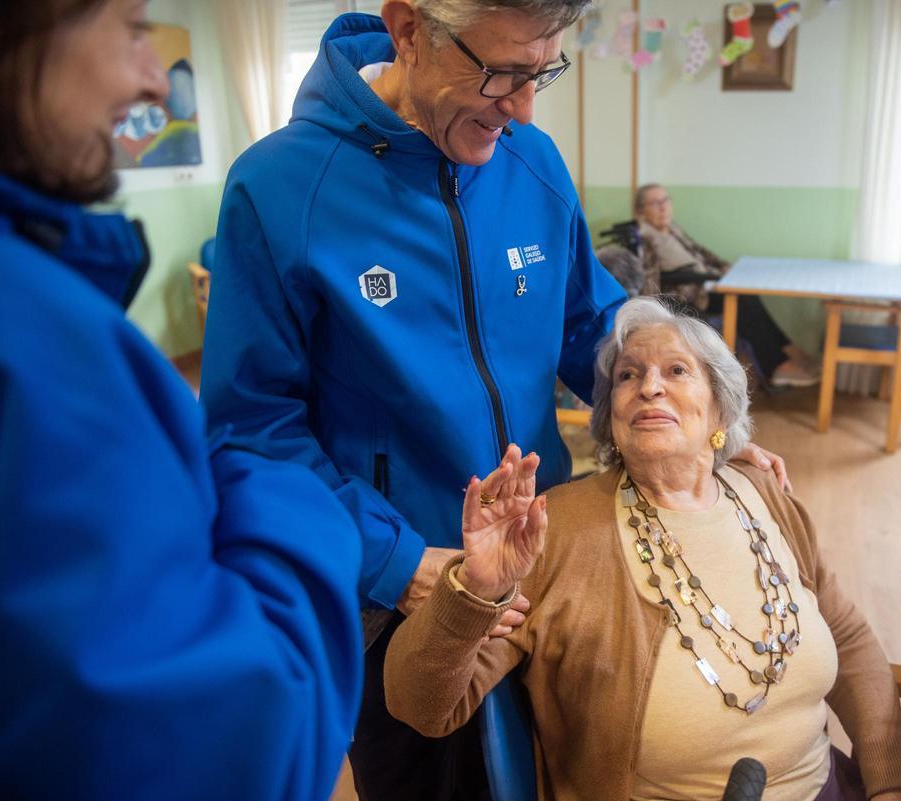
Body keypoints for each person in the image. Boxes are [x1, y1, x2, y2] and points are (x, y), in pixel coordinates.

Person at [199, 3, 789, 801]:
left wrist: (697, 421)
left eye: (540, 71)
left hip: (545, 558)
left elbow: (591, 324)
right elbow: (250, 434)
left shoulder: (533, 160)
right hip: (396, 589)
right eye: (499, 72)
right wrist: (396, 561)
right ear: (409, 30)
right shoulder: (278, 189)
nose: (522, 108)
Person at [0, 1, 363, 799]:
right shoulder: (34, 342)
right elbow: (237, 742)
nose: (157, 75)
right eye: (129, 26)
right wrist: (286, 495)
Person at [384, 297, 901, 801]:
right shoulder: (555, 531)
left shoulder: (764, 494)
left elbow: (849, 640)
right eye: (628, 375)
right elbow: (421, 706)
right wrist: (475, 589)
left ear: (719, 413)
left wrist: (893, 783)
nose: (649, 387)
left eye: (676, 370)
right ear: (610, 420)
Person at [634, 183, 821, 388]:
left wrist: (728, 269)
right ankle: (777, 366)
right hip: (690, 296)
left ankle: (790, 352)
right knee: (742, 300)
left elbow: (702, 253)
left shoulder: (672, 229)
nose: (663, 207)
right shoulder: (646, 238)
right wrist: (655, 316)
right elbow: (650, 282)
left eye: (665, 200)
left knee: (748, 294)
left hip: (707, 283)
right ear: (641, 211)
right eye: (655, 203)